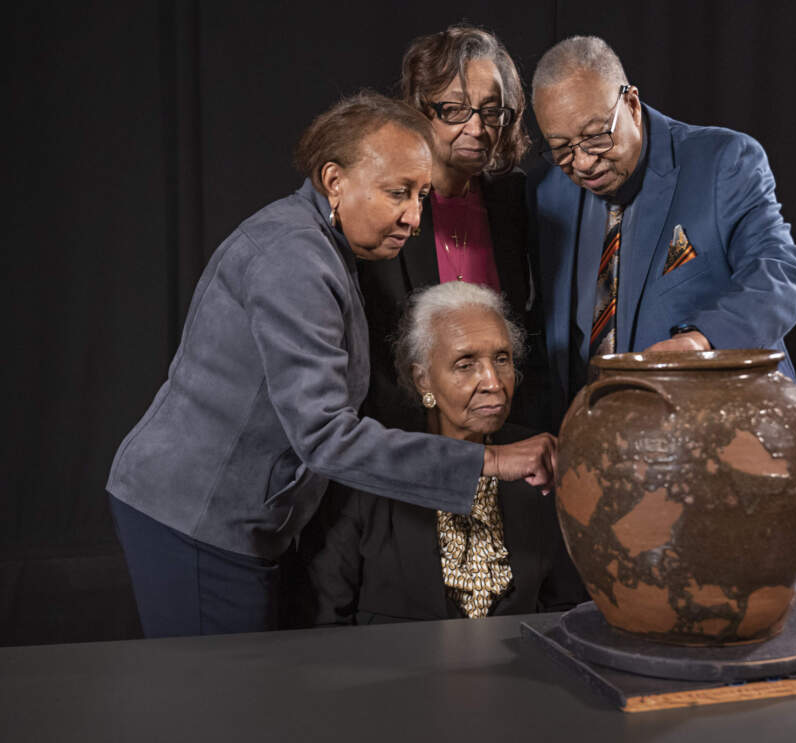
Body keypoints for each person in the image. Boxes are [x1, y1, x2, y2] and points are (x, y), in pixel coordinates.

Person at [105, 92, 557, 638]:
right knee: (216, 702)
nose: (414, 218)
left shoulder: (324, 245)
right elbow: (324, 436)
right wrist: (493, 462)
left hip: (226, 519)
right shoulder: (294, 259)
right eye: (398, 193)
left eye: (420, 195)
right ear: (334, 181)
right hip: (197, 519)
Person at [529, 36, 796, 425]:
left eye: (596, 136)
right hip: (599, 445)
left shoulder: (723, 161)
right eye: (561, 147)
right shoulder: (547, 192)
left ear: (630, 104)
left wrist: (700, 342)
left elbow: (782, 274)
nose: (582, 162)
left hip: (724, 436)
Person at [303, 282, 585, 624]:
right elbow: (325, 620)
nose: (493, 382)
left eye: (502, 359)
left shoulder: (540, 460)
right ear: (423, 380)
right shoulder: (371, 465)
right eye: (466, 364)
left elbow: (566, 607)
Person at [358, 25, 546, 433]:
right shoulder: (384, 205)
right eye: (455, 110)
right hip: (403, 439)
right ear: (421, 110)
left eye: (492, 110)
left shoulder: (515, 199)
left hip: (500, 431)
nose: (478, 129)